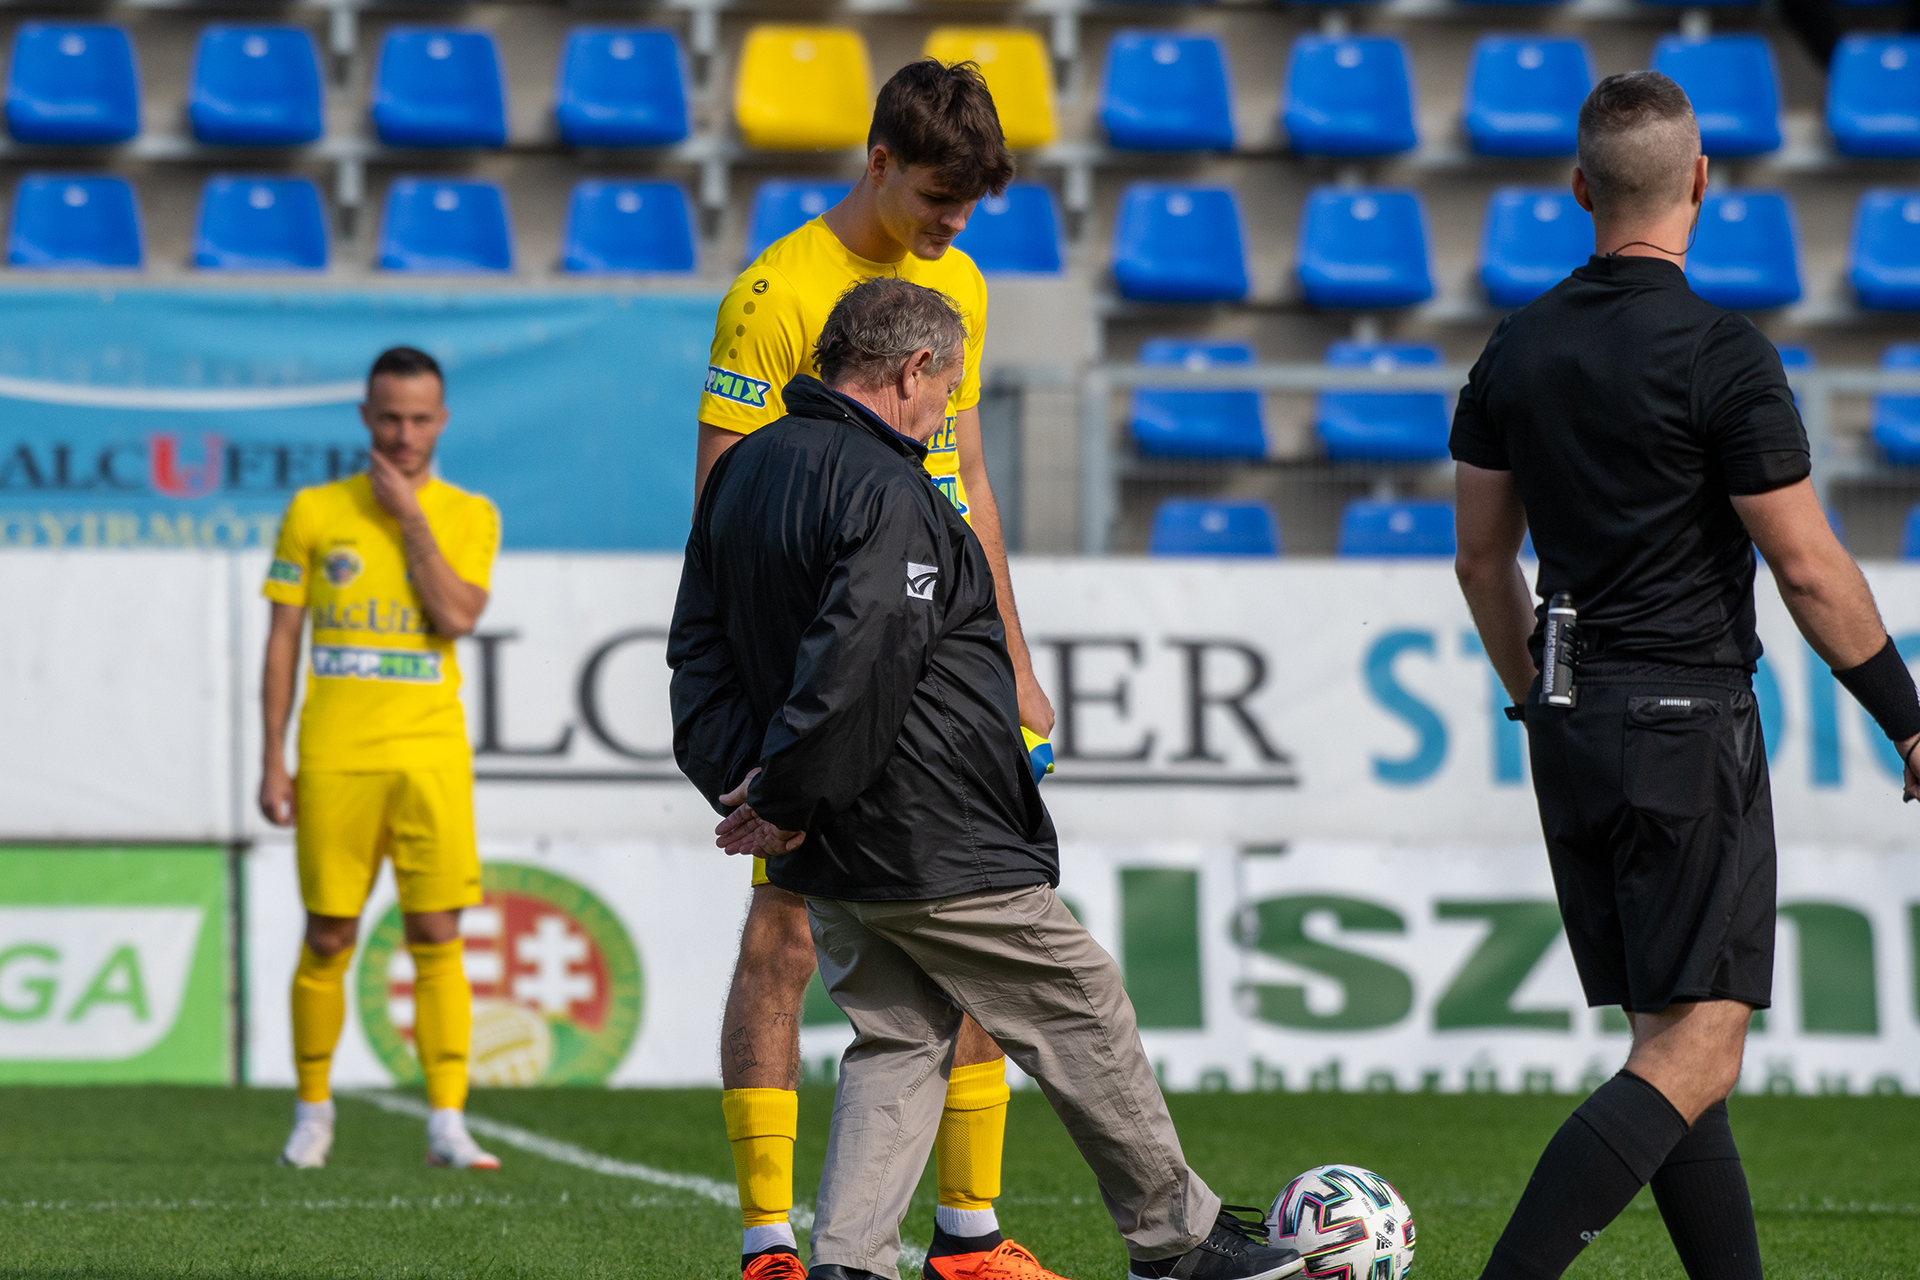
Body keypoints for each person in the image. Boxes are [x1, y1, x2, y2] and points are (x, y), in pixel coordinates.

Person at [670, 276, 1305, 1280]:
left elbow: (697, 652)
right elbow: (858, 662)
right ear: (913, 368)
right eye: (947, 390)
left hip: (830, 843)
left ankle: (847, 1260)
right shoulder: (889, 490)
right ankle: (1175, 1241)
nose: (945, 416)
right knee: (1082, 1000)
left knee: (900, 1035)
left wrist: (745, 783)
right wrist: (783, 795)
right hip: (929, 832)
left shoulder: (743, 471)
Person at [1451, 72, 1920, 1280]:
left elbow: (1480, 561)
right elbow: (1806, 567)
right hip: (1686, 723)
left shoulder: (1516, 345)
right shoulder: (1723, 351)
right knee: (1697, 1050)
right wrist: (1908, 718)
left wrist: (1534, 696)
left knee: (1675, 1041)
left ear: (1579, 188)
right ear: (1702, 180)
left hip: (1573, 724)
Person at [694, 57, 1057, 1280]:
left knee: (976, 917)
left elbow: (965, 475)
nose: (954, 225)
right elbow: (725, 511)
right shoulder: (774, 294)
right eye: (938, 198)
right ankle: (767, 1240)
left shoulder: (961, 282)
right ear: (880, 161)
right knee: (784, 936)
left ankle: (968, 1232)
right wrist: (775, 706)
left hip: (946, 658)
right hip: (825, 661)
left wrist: (1013, 657)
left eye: (970, 205)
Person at [260, 346, 503, 1172]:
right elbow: (283, 640)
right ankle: (313, 1113)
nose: (403, 434)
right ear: (366, 417)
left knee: (437, 931)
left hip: (430, 754)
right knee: (329, 933)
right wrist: (272, 759)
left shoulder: (469, 513)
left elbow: (457, 616)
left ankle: (447, 1122)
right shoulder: (314, 510)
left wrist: (408, 518)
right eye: (390, 418)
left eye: (419, 419)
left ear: (442, 421)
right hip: (335, 756)